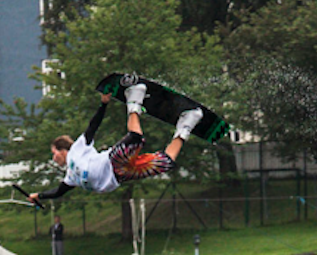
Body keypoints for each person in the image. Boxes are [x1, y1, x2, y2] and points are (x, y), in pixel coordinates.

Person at [27, 82, 204, 205]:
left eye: (54, 153)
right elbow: (58, 192)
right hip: (123, 175)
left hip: (113, 161)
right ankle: (186, 124)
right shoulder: (70, 177)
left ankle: (134, 99)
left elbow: (93, 126)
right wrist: (38, 196)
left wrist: (103, 104)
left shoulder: (77, 149)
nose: (53, 158)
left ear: (62, 150)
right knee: (166, 163)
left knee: (136, 138)